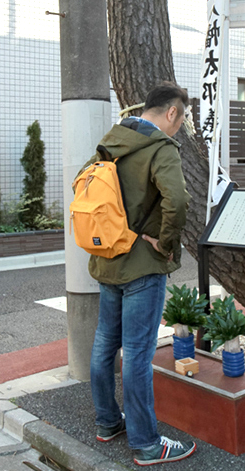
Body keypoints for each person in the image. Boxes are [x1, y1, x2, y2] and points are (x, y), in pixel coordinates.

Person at [82, 81, 196, 466]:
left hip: (107, 258)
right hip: (142, 267)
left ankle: (108, 421)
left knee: (103, 346)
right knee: (137, 355)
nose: (179, 126)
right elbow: (177, 200)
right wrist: (165, 243)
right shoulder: (160, 149)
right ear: (170, 113)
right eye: (181, 119)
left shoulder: (112, 140)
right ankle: (147, 444)